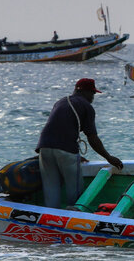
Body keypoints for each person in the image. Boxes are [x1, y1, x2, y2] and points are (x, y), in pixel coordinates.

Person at [36, 78, 123, 209]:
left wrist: (73, 154)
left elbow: (56, 129)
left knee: (50, 187)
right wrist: (108, 157)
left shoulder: (60, 102)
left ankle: (51, 214)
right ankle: (75, 213)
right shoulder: (87, 106)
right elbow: (92, 137)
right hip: (66, 148)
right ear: (85, 92)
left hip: (44, 147)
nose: (93, 97)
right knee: (75, 188)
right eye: (92, 93)